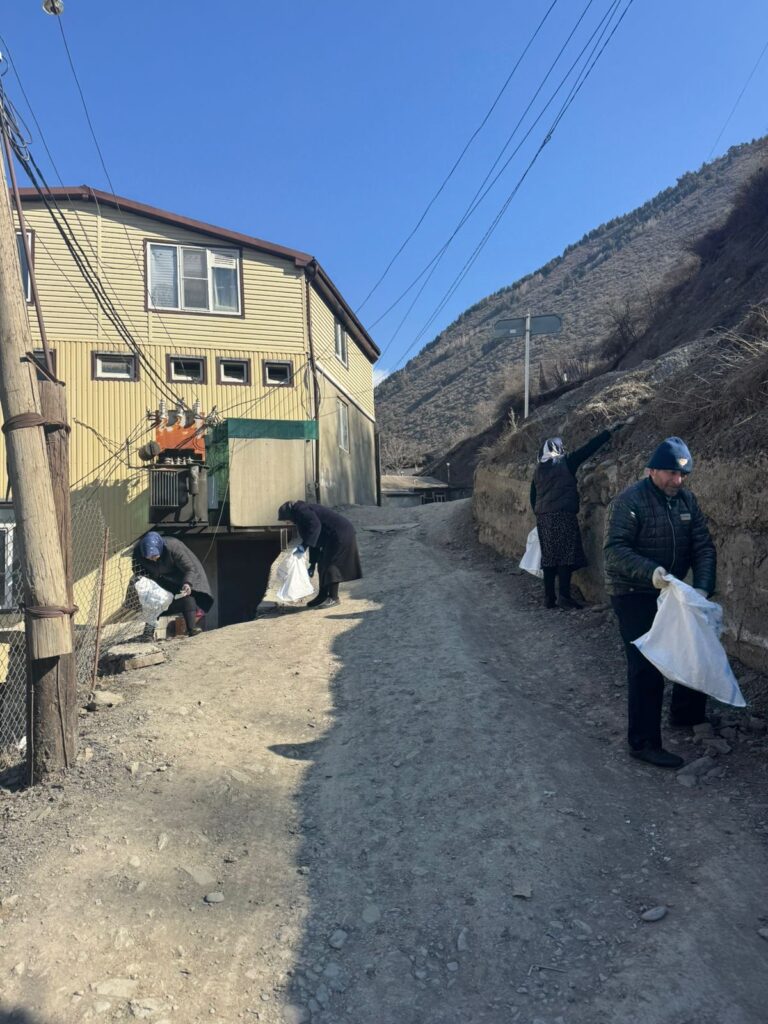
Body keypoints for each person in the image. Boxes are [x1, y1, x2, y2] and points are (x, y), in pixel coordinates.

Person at [603, 437, 716, 770]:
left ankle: (685, 714)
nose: (677, 481)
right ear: (652, 470)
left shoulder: (687, 501)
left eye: (682, 475)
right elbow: (615, 550)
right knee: (646, 665)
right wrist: (650, 572)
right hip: (633, 591)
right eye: (671, 473)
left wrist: (703, 589)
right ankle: (643, 742)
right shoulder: (630, 501)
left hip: (671, 590)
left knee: (694, 647)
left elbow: (703, 547)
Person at [530, 423, 623, 609]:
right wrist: (608, 433)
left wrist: (541, 513)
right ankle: (564, 597)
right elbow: (588, 449)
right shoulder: (566, 463)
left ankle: (549, 598)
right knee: (565, 556)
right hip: (563, 516)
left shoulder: (538, 470)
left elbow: (533, 497)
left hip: (544, 518)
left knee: (549, 558)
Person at [278, 501, 362, 609]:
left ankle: (333, 597)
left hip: (341, 534)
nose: (287, 523)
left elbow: (315, 527)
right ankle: (322, 595)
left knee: (331, 564)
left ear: (290, 515)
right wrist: (312, 564)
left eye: (286, 520)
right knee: (322, 564)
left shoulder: (302, 510)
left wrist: (304, 545)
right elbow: (314, 540)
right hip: (332, 537)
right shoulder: (301, 517)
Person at [132, 531, 214, 640]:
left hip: (179, 578)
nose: (153, 559)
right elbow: (138, 571)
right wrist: (146, 586)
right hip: (156, 581)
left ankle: (192, 629)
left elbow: (189, 568)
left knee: (188, 599)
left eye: (155, 556)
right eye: (149, 558)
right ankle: (148, 634)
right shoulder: (138, 552)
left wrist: (187, 583)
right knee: (153, 600)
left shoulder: (173, 547)